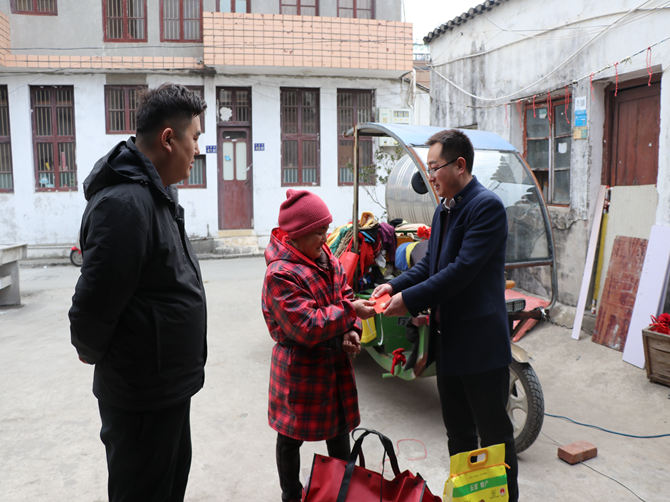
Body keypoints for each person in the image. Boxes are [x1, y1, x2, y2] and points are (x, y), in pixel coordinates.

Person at [69, 83, 207, 502]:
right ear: (168, 139)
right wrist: (91, 349)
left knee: (168, 486)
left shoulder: (156, 193)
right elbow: (94, 304)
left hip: (166, 388)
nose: (198, 150)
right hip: (142, 395)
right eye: (195, 138)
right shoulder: (125, 205)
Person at [372, 129, 519, 501]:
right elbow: (430, 266)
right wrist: (394, 286)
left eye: (435, 167)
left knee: (495, 439)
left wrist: (408, 300)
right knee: (459, 436)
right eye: (428, 168)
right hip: (449, 345)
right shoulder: (443, 210)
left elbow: (460, 272)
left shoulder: (485, 208)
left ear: (460, 165)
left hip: (481, 348)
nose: (430, 176)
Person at [261, 189, 376, 502]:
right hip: (299, 370)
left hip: (333, 366)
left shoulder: (327, 258)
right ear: (296, 235)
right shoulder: (280, 274)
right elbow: (307, 326)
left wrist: (351, 330)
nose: (325, 238)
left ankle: (341, 492)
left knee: (339, 434)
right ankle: (291, 494)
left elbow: (345, 294)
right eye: (318, 232)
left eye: (326, 229)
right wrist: (350, 314)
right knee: (290, 438)